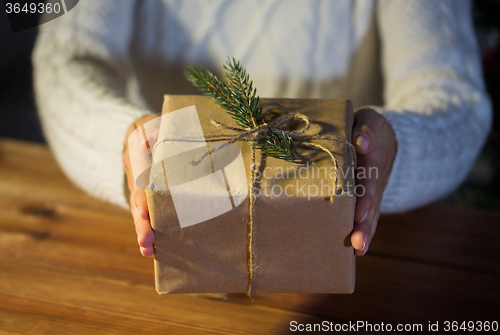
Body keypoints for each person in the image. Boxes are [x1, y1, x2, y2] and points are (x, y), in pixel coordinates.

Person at [33, 0, 492, 258]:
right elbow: (66, 55)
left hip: (348, 245)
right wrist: (123, 138)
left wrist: (394, 147)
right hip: (166, 228)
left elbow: (454, 97)